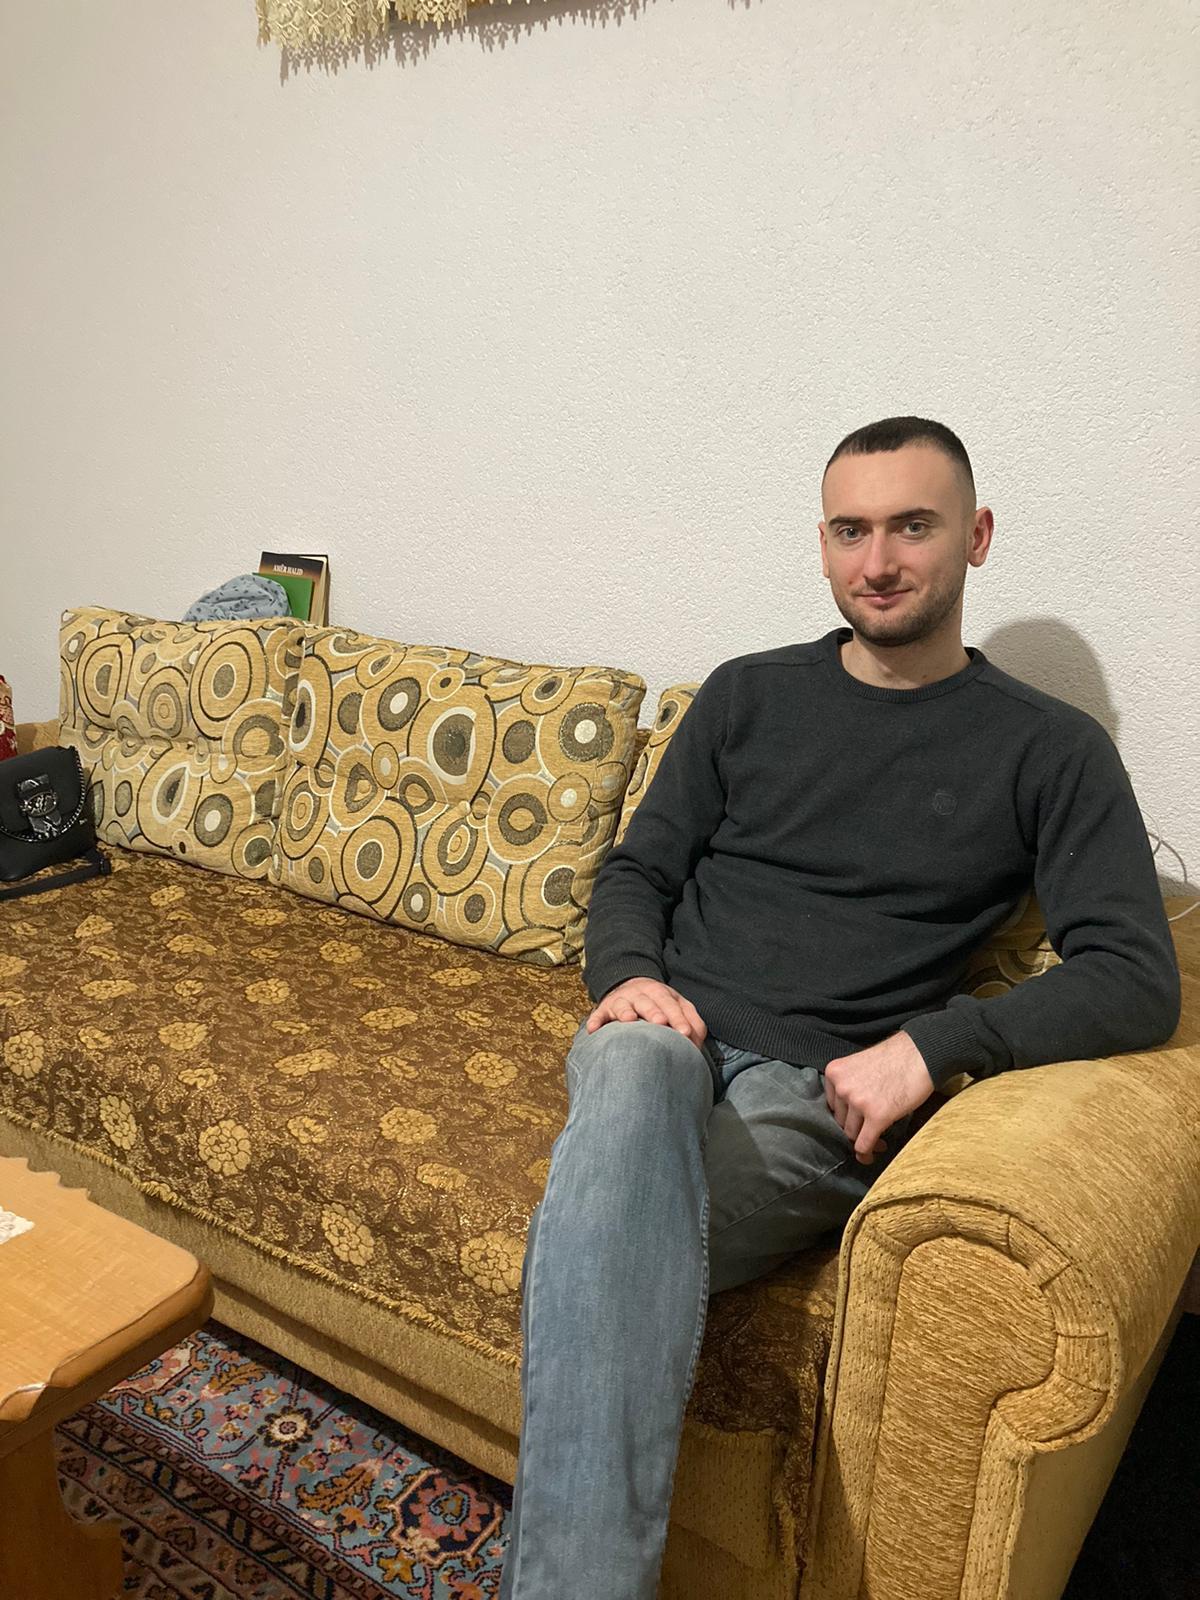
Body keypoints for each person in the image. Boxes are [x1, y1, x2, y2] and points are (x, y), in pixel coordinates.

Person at [497, 416, 1181, 1600]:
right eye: (851, 530)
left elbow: (1135, 973)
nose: (879, 560)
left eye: (912, 526)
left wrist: (934, 1044)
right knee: (633, 1090)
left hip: (815, 1093)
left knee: (600, 1249)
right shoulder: (747, 695)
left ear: (975, 536)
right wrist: (628, 976)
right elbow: (637, 871)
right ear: (821, 545)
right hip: (662, 1036)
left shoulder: (1050, 751)